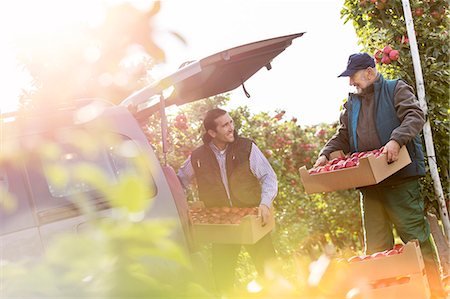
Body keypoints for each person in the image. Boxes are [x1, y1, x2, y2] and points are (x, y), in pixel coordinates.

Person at [313, 53, 446, 298]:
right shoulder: (352, 103)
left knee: (415, 239)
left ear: (370, 72)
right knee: (375, 248)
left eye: (353, 76)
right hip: (369, 185)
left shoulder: (396, 89)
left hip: (400, 180)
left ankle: (436, 293)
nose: (351, 82)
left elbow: (416, 116)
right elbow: (343, 134)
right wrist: (326, 153)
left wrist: (396, 140)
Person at [177, 108, 278, 294]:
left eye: (230, 122)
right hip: (222, 225)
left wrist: (265, 203)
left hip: (252, 220)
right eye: (225, 125)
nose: (231, 127)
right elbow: (179, 181)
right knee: (222, 279)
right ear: (212, 133)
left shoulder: (246, 147)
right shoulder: (198, 156)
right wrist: (183, 207)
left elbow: (268, 177)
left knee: (270, 274)